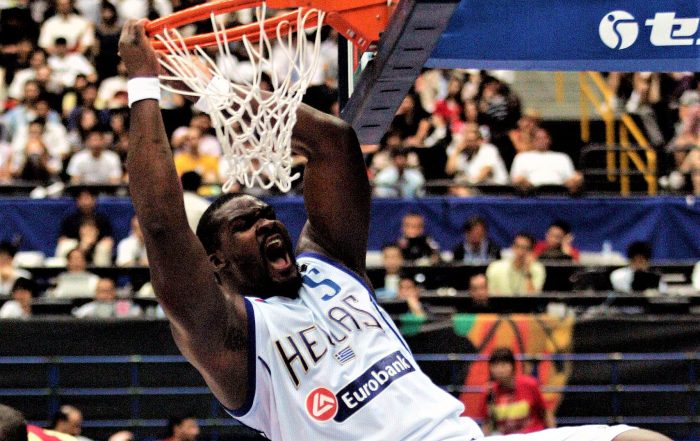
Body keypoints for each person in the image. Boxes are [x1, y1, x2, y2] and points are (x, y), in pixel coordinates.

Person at [119, 18, 670, 441]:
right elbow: (164, 227)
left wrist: (215, 90)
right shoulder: (229, 331)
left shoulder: (328, 263)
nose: (266, 222)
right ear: (215, 261)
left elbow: (334, 143)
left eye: (267, 214)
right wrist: (145, 85)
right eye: (245, 224)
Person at [478, 348, 555, 435]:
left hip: (533, 436)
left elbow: (546, 413)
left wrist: (553, 436)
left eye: (503, 365)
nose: (499, 370)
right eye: (495, 366)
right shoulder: (489, 392)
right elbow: (487, 423)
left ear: (513, 366)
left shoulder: (530, 384)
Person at [510, 128, 583, 193]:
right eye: (538, 138)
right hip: (531, 195)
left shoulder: (562, 157)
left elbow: (572, 179)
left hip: (559, 194)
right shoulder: (522, 157)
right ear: (532, 140)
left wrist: (575, 181)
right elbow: (515, 179)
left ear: (549, 140)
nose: (541, 141)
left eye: (544, 138)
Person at [72, 277, 142, 318]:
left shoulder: (123, 305)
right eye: (101, 291)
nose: (104, 295)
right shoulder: (88, 308)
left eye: (107, 291)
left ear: (114, 292)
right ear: (95, 293)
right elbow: (77, 317)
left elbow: (137, 313)